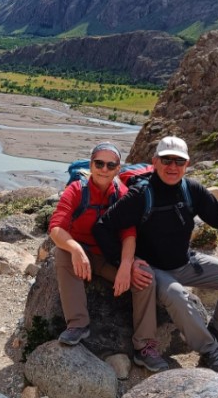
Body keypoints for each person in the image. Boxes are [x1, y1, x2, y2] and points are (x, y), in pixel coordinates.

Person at [93, 136, 218, 374]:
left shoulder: (192, 190)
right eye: (167, 160)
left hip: (185, 262)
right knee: (178, 295)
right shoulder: (141, 195)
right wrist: (126, 262)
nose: (173, 167)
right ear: (155, 161)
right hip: (154, 270)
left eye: (179, 161)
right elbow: (102, 227)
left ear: (187, 165)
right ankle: (209, 350)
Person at [48, 142, 169, 372]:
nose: (104, 169)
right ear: (91, 165)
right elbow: (56, 228)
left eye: (110, 165)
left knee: (144, 277)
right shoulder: (76, 190)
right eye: (99, 163)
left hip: (107, 254)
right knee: (62, 251)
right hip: (80, 250)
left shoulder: (122, 194)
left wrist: (126, 265)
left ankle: (144, 347)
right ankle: (78, 324)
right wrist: (75, 249)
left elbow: (129, 233)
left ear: (117, 168)